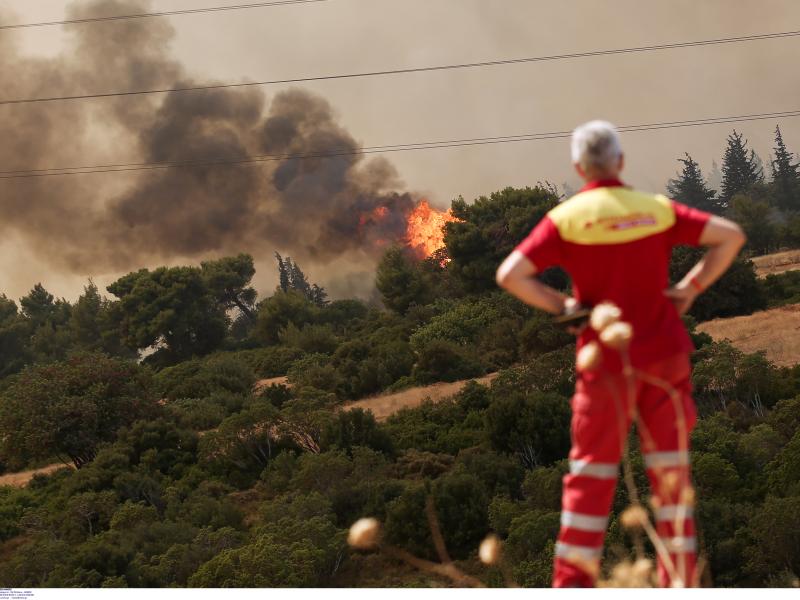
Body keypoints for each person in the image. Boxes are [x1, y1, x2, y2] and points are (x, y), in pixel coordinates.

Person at [495, 120, 746, 588]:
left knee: (590, 475)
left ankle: (573, 585)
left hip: (604, 362)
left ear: (578, 167)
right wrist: (689, 290)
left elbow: (510, 273)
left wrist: (566, 307)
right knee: (671, 476)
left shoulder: (567, 218)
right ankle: (681, 582)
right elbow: (729, 235)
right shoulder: (654, 209)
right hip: (665, 357)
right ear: (621, 162)